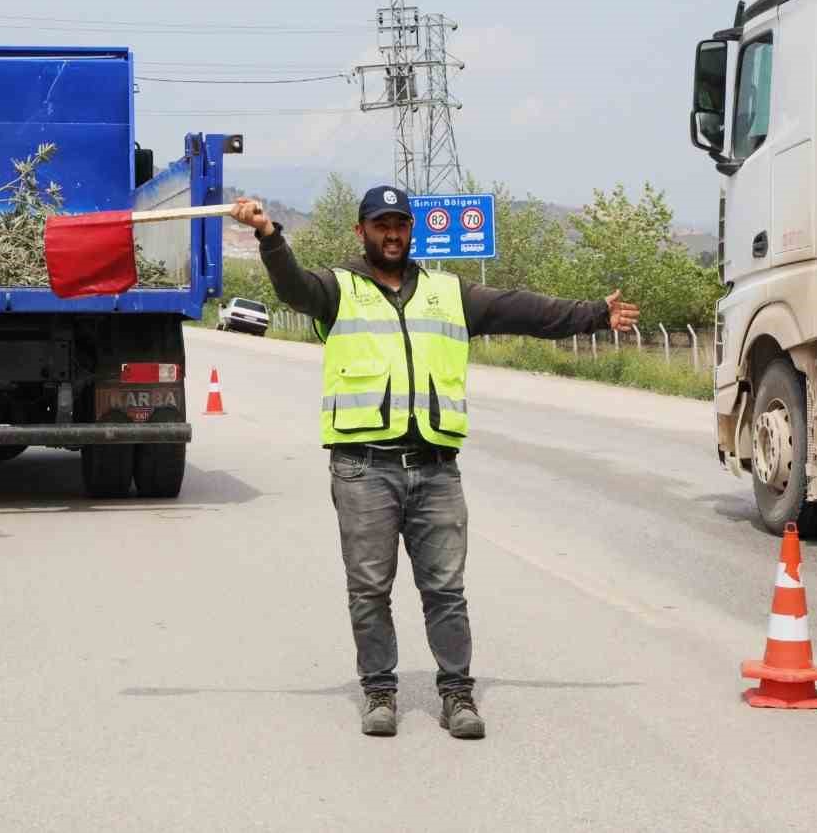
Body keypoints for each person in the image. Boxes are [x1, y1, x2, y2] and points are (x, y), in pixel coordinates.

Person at [230, 186, 639, 739]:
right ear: (362, 232)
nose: (392, 234)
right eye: (381, 225)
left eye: (400, 224)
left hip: (435, 467)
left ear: (411, 231)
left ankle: (457, 696)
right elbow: (292, 288)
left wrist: (592, 315)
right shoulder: (337, 289)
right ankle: (379, 691)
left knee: (445, 590)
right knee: (370, 588)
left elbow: (522, 310)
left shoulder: (449, 293)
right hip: (363, 466)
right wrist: (269, 235)